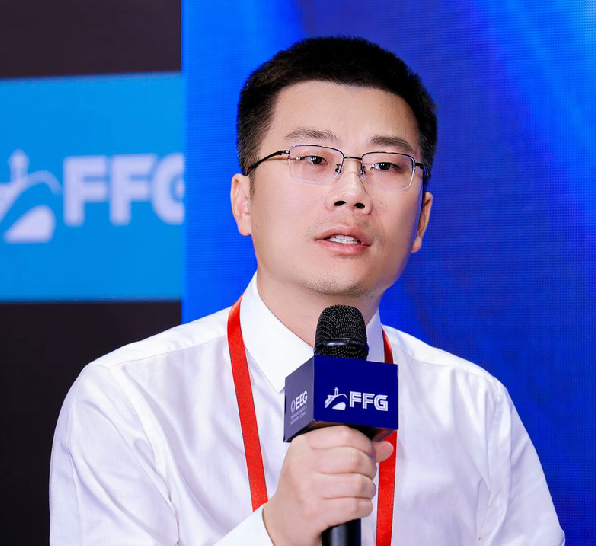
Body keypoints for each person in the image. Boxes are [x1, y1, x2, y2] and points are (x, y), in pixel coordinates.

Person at [50, 37, 564, 546]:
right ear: (244, 201)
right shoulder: (129, 400)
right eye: (314, 159)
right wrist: (277, 532)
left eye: (386, 166)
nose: (352, 193)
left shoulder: (474, 407)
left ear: (422, 220)